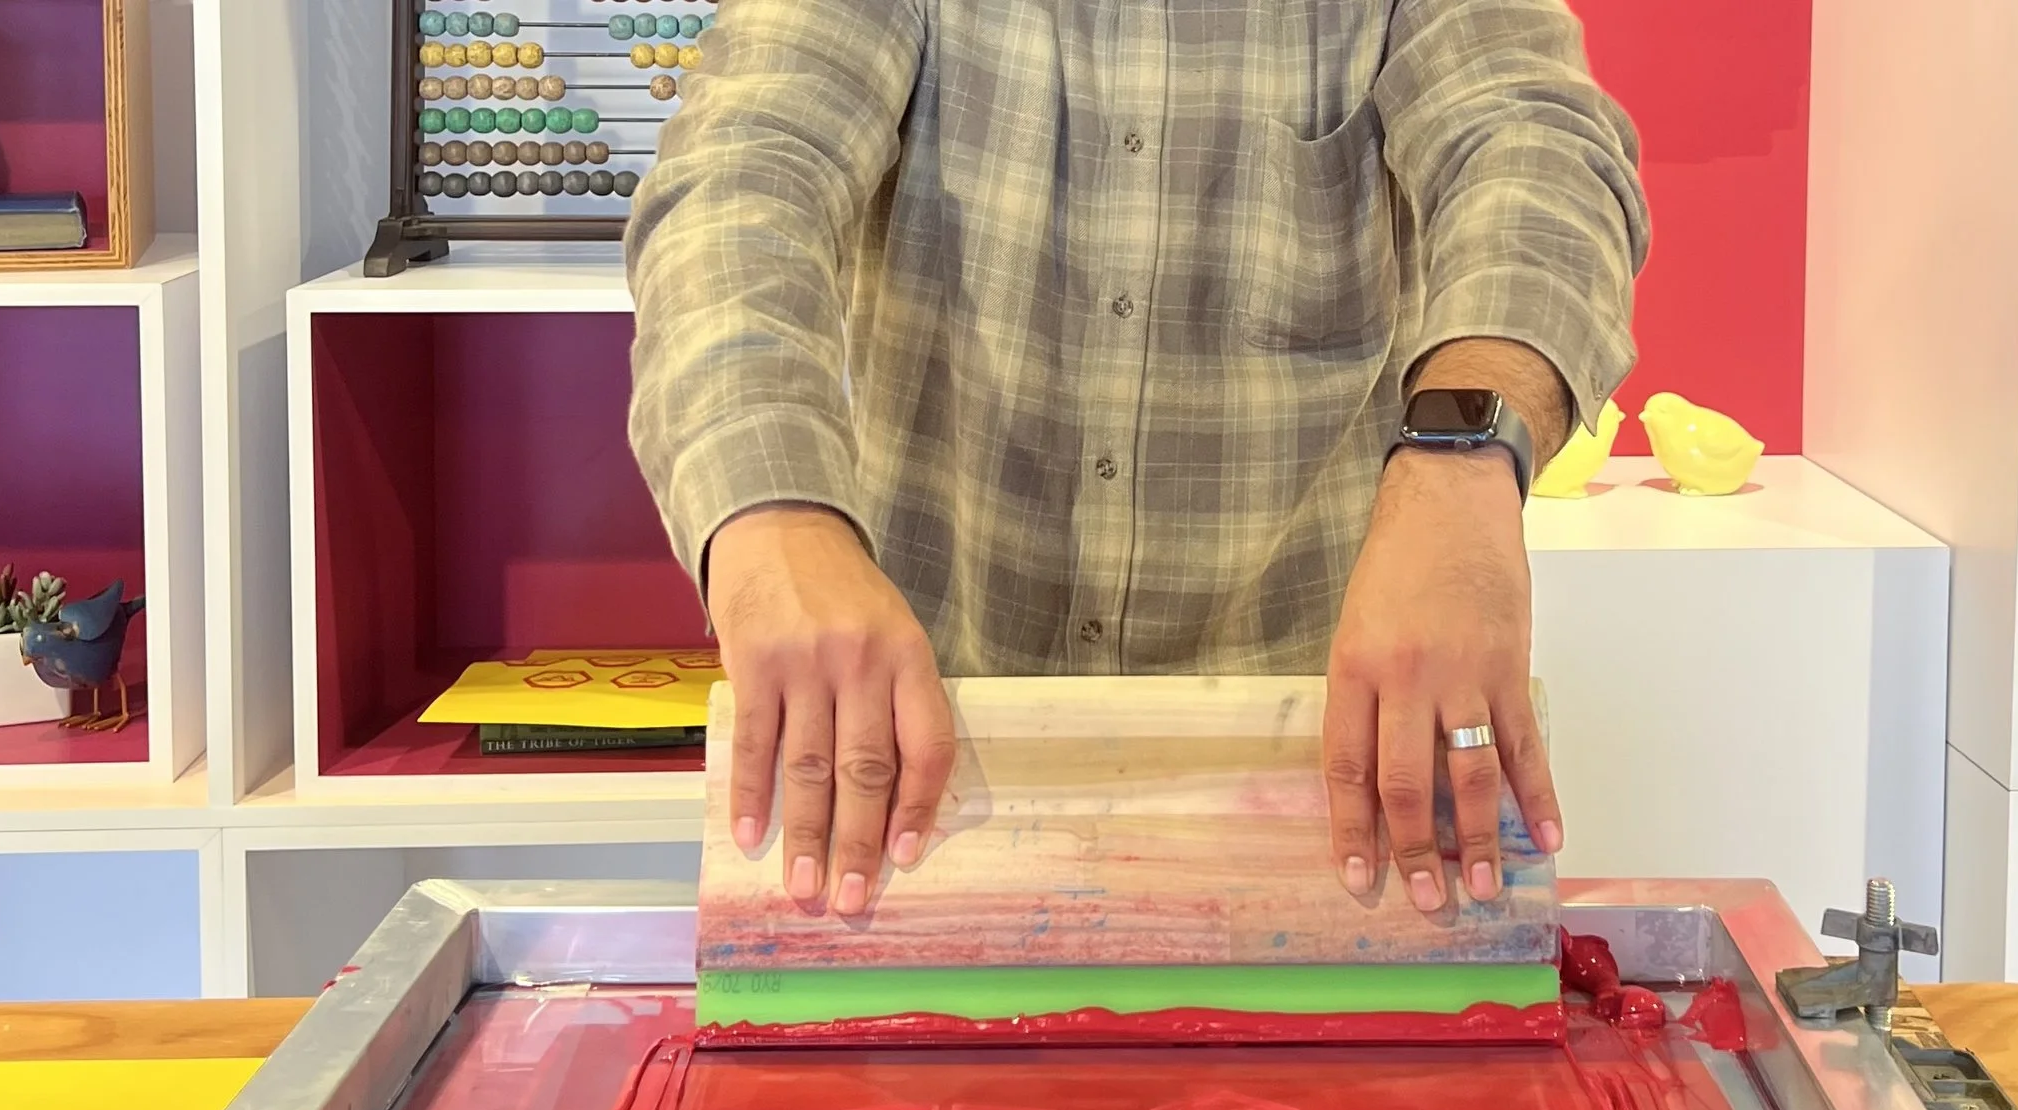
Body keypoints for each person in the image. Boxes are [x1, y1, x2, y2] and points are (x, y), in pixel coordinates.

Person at [628, 0, 1647, 918]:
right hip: (923, 768)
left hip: (1329, 775)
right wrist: (775, 522)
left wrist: (1461, 462)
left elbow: (1534, 151)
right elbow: (741, 185)